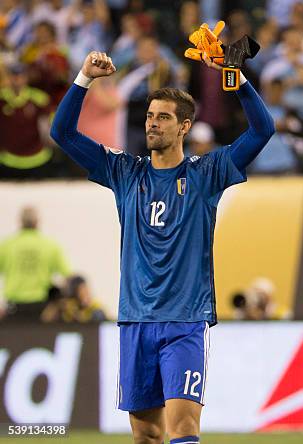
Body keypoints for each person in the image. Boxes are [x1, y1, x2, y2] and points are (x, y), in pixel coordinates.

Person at [50, 49, 274, 444]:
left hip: (185, 321)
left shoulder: (207, 173)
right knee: (146, 436)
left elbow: (261, 131)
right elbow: (62, 134)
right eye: (151, 116)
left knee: (183, 428)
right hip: (135, 320)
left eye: (163, 117)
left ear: (185, 126)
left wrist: (233, 77)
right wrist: (84, 77)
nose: (152, 124)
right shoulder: (123, 171)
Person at [0, 206, 71, 321]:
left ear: (20, 221)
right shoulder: (50, 245)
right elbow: (69, 278)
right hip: (41, 309)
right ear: (37, 222)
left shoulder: (7, 245)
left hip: (13, 308)